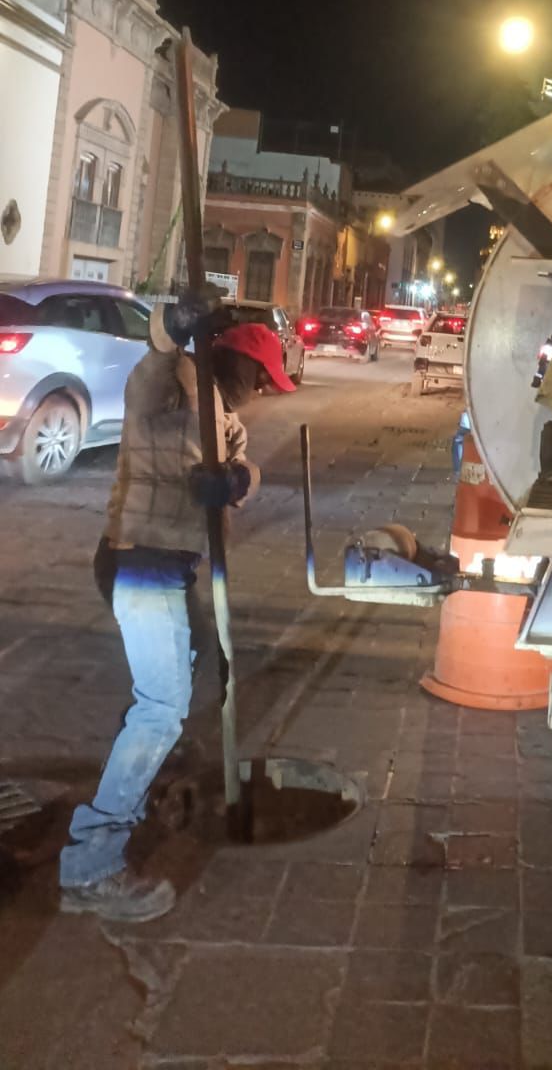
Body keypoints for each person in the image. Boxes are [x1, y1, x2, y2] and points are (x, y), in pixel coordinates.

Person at [58, 309, 294, 922]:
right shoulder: (176, 380)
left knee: (188, 658)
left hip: (171, 565)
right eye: (260, 375)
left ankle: (141, 764)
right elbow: (151, 365)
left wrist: (238, 480)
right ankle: (91, 865)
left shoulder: (226, 419)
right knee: (162, 706)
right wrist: (173, 324)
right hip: (141, 558)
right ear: (237, 361)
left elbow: (245, 468)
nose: (261, 389)